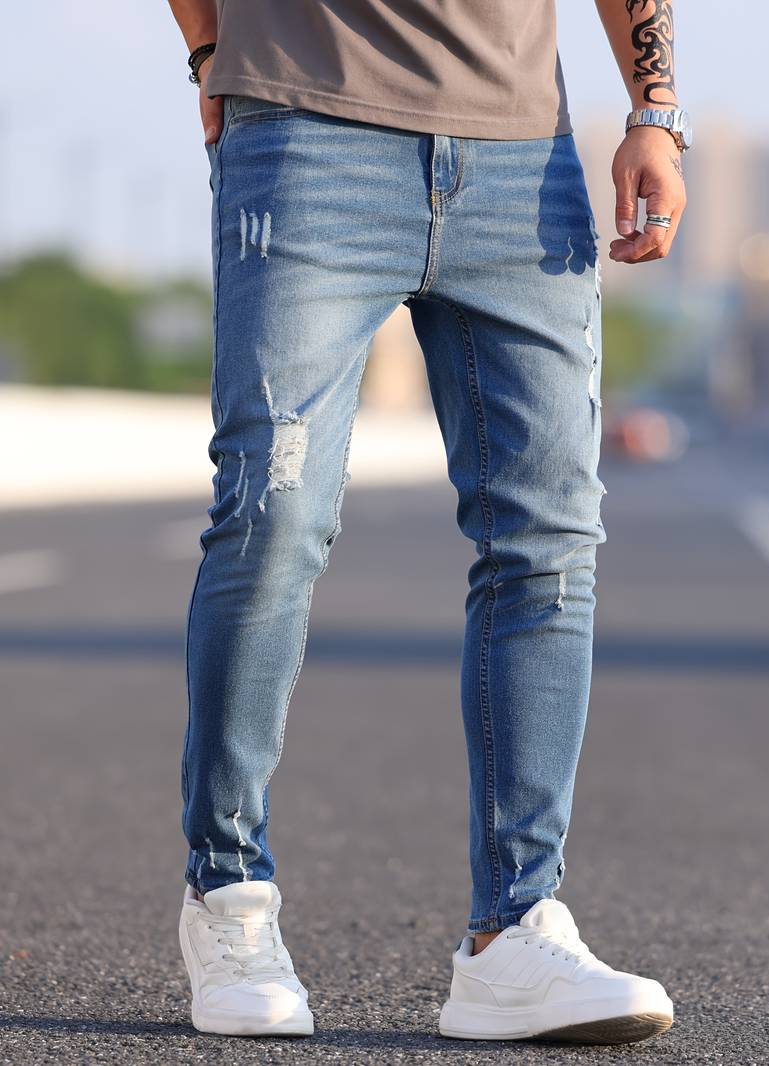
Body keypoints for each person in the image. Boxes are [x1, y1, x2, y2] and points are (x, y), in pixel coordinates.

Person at [167, 0, 688, 1044]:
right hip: (308, 136)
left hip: (519, 154)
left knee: (547, 543)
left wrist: (653, 108)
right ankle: (226, 897)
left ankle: (513, 933)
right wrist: (212, 54)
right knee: (273, 519)